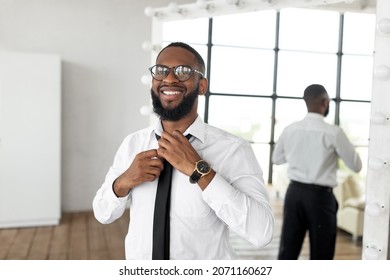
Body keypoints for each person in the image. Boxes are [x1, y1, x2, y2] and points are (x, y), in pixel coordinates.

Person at [92, 42, 274, 260]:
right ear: (153, 82)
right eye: (161, 71)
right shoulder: (133, 144)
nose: (169, 79)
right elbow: (102, 213)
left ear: (202, 85)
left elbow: (261, 232)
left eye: (183, 71)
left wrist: (200, 170)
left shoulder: (233, 150)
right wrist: (123, 182)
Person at [272, 84, 362, 260]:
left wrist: (298, 154)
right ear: (325, 102)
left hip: (294, 195)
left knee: (288, 250)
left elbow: (277, 159)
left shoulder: (290, 129)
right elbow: (356, 166)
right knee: (322, 255)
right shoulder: (334, 133)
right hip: (320, 199)